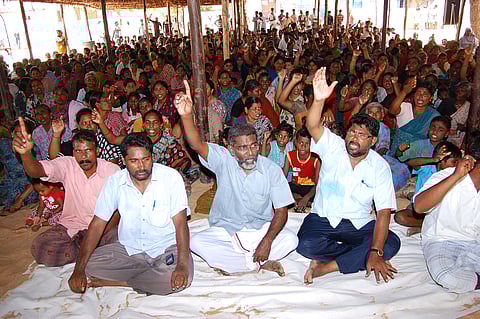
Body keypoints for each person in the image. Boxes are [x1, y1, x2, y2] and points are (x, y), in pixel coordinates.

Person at [176, 80, 298, 276]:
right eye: (242, 148)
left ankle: (239, 264)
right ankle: (257, 264)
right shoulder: (224, 160)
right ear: (231, 149)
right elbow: (197, 144)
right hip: (227, 231)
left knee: (291, 240)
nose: (250, 152)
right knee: (196, 242)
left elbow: (282, 211)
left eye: (253, 146)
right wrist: (186, 116)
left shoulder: (271, 170)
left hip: (260, 230)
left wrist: (267, 240)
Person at [296, 68, 401, 284]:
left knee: (390, 243)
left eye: (362, 135)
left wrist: (376, 251)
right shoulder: (333, 146)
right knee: (305, 244)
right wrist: (318, 100)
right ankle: (355, 256)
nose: (354, 138)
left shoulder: (379, 167)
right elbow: (312, 125)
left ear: (372, 141)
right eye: (352, 132)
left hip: (358, 223)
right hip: (323, 218)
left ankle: (327, 267)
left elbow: (383, 213)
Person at [68, 133, 192, 295]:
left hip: (166, 248)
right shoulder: (115, 183)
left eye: (146, 159)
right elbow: (97, 225)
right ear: (124, 160)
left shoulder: (170, 178)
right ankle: (148, 277)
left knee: (178, 280)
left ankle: (124, 282)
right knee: (90, 264)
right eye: (134, 161)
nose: (141, 166)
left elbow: (181, 223)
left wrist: (182, 265)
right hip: (131, 250)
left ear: (152, 156)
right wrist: (78, 269)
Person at [12, 119, 120, 266]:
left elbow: (117, 212)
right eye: (78, 151)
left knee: (121, 243)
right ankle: (86, 252)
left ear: (98, 151)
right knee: (40, 246)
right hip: (71, 227)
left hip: (102, 229)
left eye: (88, 150)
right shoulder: (67, 164)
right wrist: (26, 154)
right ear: (73, 152)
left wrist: (97, 235)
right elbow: (36, 171)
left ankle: (85, 250)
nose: (83, 156)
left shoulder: (111, 171)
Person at [413, 135, 480, 293]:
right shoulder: (446, 175)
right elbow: (419, 206)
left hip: (475, 244)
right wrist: (456, 176)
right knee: (446, 275)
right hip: (442, 241)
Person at [395, 141, 461, 235]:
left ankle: (428, 225)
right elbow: (411, 163)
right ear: (442, 161)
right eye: (454, 162)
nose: (456, 166)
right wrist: (433, 160)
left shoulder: (452, 176)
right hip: (420, 207)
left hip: (439, 209)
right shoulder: (428, 168)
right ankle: (424, 225)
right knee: (400, 217)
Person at [283, 128, 320, 212]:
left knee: (320, 193)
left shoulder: (316, 158)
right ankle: (298, 199)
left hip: (310, 188)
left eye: (307, 143)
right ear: (296, 143)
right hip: (295, 186)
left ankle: (302, 201)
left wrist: (306, 198)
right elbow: (283, 178)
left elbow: (318, 184)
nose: (303, 146)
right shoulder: (290, 155)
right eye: (301, 143)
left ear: (311, 144)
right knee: (283, 189)